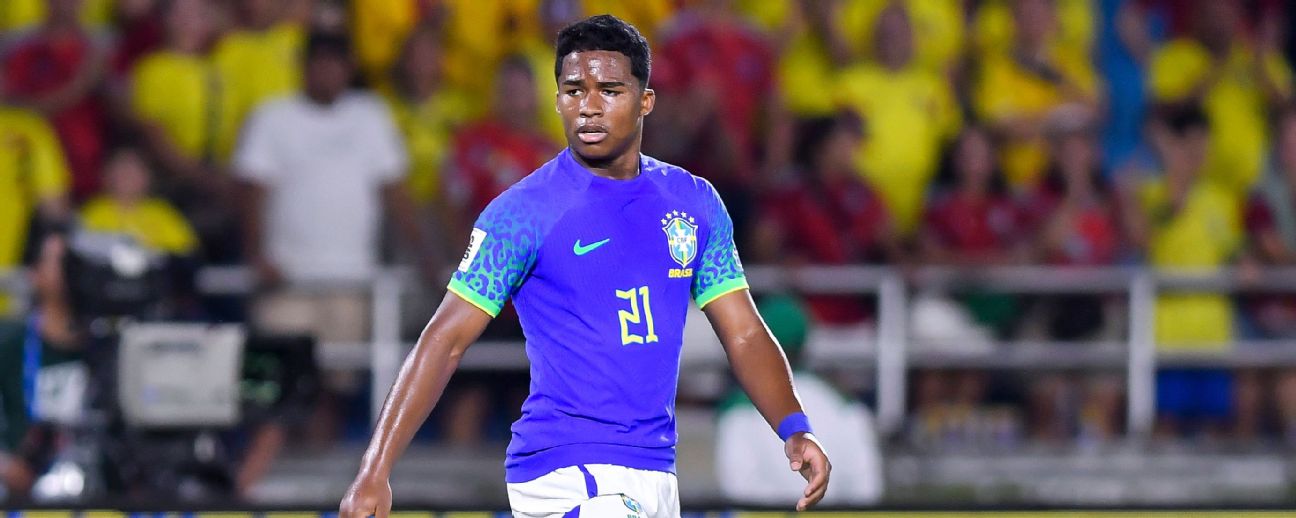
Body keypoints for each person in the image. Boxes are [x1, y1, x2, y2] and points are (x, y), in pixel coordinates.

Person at [339, 15, 830, 517]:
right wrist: (374, 470)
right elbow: (444, 339)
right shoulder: (523, 212)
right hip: (567, 471)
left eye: (610, 90)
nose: (589, 107)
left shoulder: (693, 202)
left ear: (646, 101)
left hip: (655, 469)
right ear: (557, 101)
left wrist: (794, 427)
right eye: (573, 90)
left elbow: (743, 332)